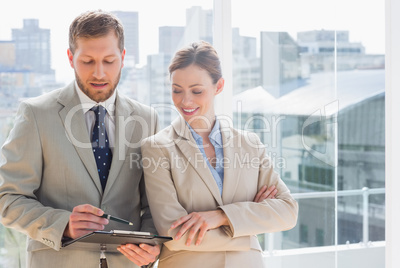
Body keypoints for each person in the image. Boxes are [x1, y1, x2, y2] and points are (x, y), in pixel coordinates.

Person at [0, 10, 160, 268]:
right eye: (87, 61)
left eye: (109, 61)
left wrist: (152, 243)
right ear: (70, 57)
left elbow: (154, 203)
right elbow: (8, 198)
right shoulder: (36, 114)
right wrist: (63, 224)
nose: (99, 73)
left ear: (123, 57)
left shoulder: (146, 118)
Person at [118, 41, 299, 267]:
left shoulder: (250, 144)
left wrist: (222, 216)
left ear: (219, 86)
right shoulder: (157, 147)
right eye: (177, 90)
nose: (186, 101)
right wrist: (248, 228)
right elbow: (174, 232)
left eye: (197, 91)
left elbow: (288, 211)